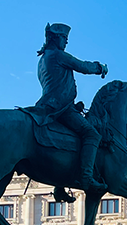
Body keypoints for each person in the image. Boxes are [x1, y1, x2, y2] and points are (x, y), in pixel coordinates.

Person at [34, 23, 108, 191]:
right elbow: (82, 66)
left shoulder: (43, 59)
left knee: (67, 140)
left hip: (51, 105)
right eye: (64, 39)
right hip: (60, 108)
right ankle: (86, 178)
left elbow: (56, 85)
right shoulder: (58, 55)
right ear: (56, 38)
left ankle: (59, 187)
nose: (66, 42)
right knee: (91, 135)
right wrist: (100, 67)